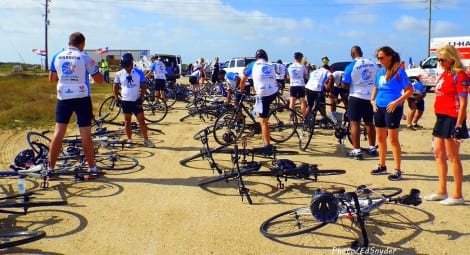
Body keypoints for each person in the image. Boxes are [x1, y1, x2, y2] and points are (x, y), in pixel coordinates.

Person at [48, 32, 104, 174]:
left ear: (69, 43)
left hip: (63, 97)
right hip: (81, 96)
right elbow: (99, 80)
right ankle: (92, 168)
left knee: (58, 133)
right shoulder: (84, 57)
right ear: (82, 44)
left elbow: (52, 79)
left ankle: (50, 170)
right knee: (85, 133)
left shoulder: (57, 56)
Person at [425, 44, 469, 205]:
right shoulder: (444, 74)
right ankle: (442, 191)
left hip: (453, 118)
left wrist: (458, 125)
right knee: (438, 153)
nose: (440, 63)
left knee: (453, 156)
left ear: (451, 59)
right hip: (441, 118)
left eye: (442, 60)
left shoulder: (460, 75)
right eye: (438, 60)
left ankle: (457, 195)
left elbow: (463, 104)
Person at [370, 46, 413, 181]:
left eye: (382, 57)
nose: (380, 60)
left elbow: (409, 90)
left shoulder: (399, 72)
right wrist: (372, 100)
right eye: (378, 58)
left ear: (390, 56)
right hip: (379, 107)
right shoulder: (380, 72)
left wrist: (396, 102)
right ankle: (382, 165)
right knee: (380, 138)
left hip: (393, 108)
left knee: (393, 139)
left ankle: (397, 169)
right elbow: (376, 87)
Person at [341, 46, 379, 159]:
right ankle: (372, 147)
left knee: (354, 123)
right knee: (369, 123)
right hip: (370, 97)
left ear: (352, 55)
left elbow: (345, 84)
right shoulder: (373, 64)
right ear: (362, 53)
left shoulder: (351, 66)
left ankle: (356, 150)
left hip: (356, 96)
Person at [113, 53, 155, 148]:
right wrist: (116, 99)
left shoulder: (138, 72)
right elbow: (115, 87)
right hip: (125, 101)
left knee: (141, 121)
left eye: (128, 66)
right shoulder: (119, 74)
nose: (126, 68)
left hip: (136, 101)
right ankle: (129, 139)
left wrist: (141, 98)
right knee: (127, 121)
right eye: (125, 66)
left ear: (132, 64)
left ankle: (146, 140)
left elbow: (144, 87)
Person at [240, 49, 278, 153]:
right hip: (274, 92)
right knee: (260, 107)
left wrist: (241, 90)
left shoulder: (253, 64)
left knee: (263, 121)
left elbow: (243, 80)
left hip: (264, 94)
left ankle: (267, 146)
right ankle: (262, 118)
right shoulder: (270, 65)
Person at [305, 62, 333, 127]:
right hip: (317, 89)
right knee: (322, 105)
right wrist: (329, 88)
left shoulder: (314, 71)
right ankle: (324, 120)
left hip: (308, 88)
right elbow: (331, 78)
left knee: (310, 105)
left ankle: (305, 121)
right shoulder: (327, 71)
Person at [286, 52, 308, 118]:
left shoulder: (290, 66)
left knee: (292, 101)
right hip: (301, 85)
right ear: (300, 58)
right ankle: (304, 117)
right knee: (302, 102)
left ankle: (291, 116)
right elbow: (306, 77)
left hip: (293, 85)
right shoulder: (303, 66)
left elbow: (288, 77)